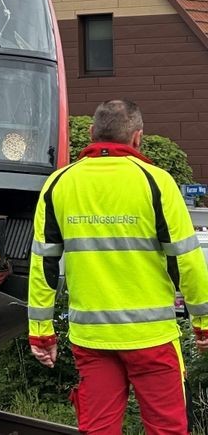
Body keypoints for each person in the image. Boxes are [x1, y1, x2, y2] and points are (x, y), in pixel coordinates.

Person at [29, 99, 208, 434]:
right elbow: (187, 261)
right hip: (152, 337)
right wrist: (203, 324)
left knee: (98, 429)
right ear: (137, 137)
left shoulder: (58, 184)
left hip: (92, 338)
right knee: (167, 428)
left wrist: (41, 333)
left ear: (90, 133)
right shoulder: (157, 182)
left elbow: (44, 266)